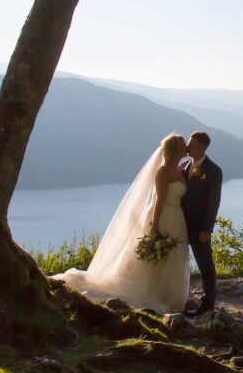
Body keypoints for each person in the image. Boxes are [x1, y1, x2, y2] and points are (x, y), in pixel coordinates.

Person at [51, 133, 190, 314]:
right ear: (175, 151)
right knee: (159, 259)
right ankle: (155, 294)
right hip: (163, 216)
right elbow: (159, 201)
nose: (186, 147)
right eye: (183, 145)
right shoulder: (163, 172)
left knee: (175, 257)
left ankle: (171, 297)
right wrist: (154, 226)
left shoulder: (181, 169)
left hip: (177, 218)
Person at [180, 130, 222, 316]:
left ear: (202, 147)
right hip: (180, 223)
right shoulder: (184, 165)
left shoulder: (213, 170)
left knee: (205, 264)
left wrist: (207, 228)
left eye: (192, 144)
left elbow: (214, 202)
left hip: (199, 227)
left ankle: (208, 303)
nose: (188, 147)